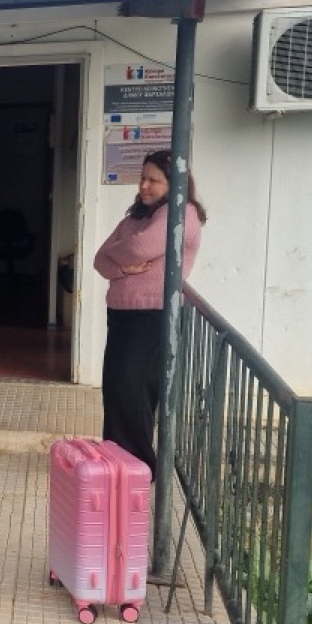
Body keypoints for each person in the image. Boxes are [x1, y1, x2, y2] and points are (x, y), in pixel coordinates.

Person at [92, 147, 206, 477]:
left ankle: (140, 467)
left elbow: (139, 247)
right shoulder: (136, 218)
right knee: (116, 388)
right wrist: (123, 269)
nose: (144, 186)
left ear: (174, 184)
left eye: (153, 180)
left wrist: (119, 254)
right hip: (122, 313)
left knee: (135, 391)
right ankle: (116, 461)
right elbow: (100, 259)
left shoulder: (182, 212)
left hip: (153, 315)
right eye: (142, 178)